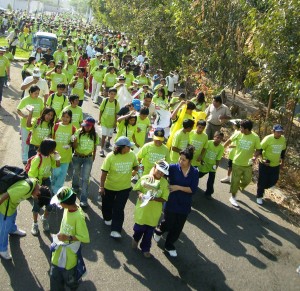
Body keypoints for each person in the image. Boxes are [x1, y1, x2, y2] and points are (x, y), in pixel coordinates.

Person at [153, 146, 199, 257]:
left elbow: (193, 189)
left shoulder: (194, 172)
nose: (180, 161)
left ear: (189, 161)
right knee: (168, 222)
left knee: (178, 227)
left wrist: (178, 187)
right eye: (180, 158)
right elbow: (157, 167)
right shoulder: (173, 168)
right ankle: (159, 230)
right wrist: (151, 175)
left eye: (184, 160)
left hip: (184, 204)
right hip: (171, 201)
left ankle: (169, 245)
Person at [49, 187, 90, 291]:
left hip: (70, 257)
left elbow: (85, 238)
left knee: (70, 280)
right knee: (54, 276)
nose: (59, 205)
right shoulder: (69, 208)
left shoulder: (78, 216)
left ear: (66, 203)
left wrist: (68, 237)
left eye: (60, 203)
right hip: (58, 252)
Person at [0, 178, 50, 260]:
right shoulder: (25, 188)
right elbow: (7, 194)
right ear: (38, 193)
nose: (36, 199)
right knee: (4, 227)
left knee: (13, 216)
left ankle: (12, 230)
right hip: (6, 205)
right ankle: (2, 249)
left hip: (12, 204)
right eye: (37, 199)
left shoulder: (36, 185)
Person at [99, 136, 138, 238]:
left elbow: (136, 166)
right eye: (128, 147)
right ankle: (107, 218)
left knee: (119, 208)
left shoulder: (132, 154)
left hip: (124, 188)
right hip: (110, 186)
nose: (130, 148)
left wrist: (135, 171)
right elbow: (103, 173)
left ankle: (116, 229)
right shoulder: (110, 157)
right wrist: (101, 187)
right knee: (107, 205)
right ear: (122, 147)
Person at [132, 160, 170, 258]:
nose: (160, 173)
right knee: (138, 230)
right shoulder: (145, 178)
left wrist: (154, 198)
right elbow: (137, 189)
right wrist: (140, 194)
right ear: (154, 167)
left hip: (154, 214)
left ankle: (145, 248)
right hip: (142, 212)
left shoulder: (165, 183)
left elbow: (164, 198)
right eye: (159, 170)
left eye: (162, 172)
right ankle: (136, 239)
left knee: (149, 234)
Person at [28, 138, 61, 236]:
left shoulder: (49, 156)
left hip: (47, 181)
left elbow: (56, 166)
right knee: (37, 204)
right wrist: (37, 187)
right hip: (38, 183)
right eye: (53, 148)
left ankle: (44, 218)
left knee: (50, 203)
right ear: (47, 148)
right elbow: (31, 174)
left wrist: (57, 157)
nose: (54, 150)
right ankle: (35, 224)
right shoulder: (38, 158)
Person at [227, 119, 261, 207]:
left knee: (247, 180)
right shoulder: (238, 133)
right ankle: (233, 197)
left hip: (248, 164)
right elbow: (229, 140)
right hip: (237, 162)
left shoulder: (255, 137)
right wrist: (222, 147)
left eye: (242, 128)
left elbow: (258, 149)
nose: (240, 129)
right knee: (235, 180)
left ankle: (237, 186)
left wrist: (254, 157)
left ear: (247, 129)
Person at [72, 117, 100, 207]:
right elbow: (75, 146)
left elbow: (95, 146)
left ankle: (83, 199)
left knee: (85, 178)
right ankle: (75, 187)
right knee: (76, 173)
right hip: (77, 156)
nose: (86, 128)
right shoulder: (78, 132)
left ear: (92, 126)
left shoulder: (95, 135)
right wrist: (75, 142)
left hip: (88, 158)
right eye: (85, 126)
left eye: (88, 126)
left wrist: (93, 157)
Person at [256, 124, 286, 205]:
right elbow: (260, 149)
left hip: (275, 164)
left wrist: (282, 162)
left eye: (281, 132)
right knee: (262, 180)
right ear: (273, 131)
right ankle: (259, 196)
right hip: (265, 164)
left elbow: (283, 151)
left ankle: (261, 187)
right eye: (278, 132)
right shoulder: (268, 138)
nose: (279, 133)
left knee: (274, 180)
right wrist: (262, 159)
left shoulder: (283, 139)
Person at [17, 85, 44, 164]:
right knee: (25, 141)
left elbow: (42, 110)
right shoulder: (25, 100)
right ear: (30, 93)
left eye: (38, 93)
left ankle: (35, 157)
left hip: (36, 124)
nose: (37, 95)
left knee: (35, 141)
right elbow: (18, 110)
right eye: (35, 93)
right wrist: (24, 116)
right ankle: (25, 157)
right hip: (25, 124)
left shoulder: (40, 100)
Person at [52, 110, 76, 195]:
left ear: (70, 118)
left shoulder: (73, 128)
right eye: (64, 116)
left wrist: (70, 145)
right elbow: (52, 139)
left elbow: (73, 142)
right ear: (61, 117)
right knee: (55, 173)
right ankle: (51, 187)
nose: (65, 119)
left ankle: (57, 190)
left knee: (62, 175)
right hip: (55, 155)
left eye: (67, 117)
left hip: (66, 156)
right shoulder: (56, 126)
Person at [198, 131, 224, 200]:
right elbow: (203, 150)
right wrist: (201, 159)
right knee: (198, 175)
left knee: (211, 179)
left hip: (212, 166)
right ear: (214, 137)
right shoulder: (208, 143)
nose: (219, 139)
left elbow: (218, 159)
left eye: (221, 138)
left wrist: (216, 167)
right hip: (204, 163)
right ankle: (192, 185)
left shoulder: (221, 148)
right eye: (217, 137)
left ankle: (208, 193)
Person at [98, 87, 120, 157]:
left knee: (110, 135)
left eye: (114, 94)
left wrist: (115, 122)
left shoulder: (116, 102)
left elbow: (117, 113)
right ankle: (101, 149)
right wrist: (99, 120)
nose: (112, 95)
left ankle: (108, 141)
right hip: (104, 120)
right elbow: (101, 110)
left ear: (115, 95)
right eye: (111, 94)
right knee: (103, 135)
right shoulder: (105, 100)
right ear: (108, 94)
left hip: (112, 122)